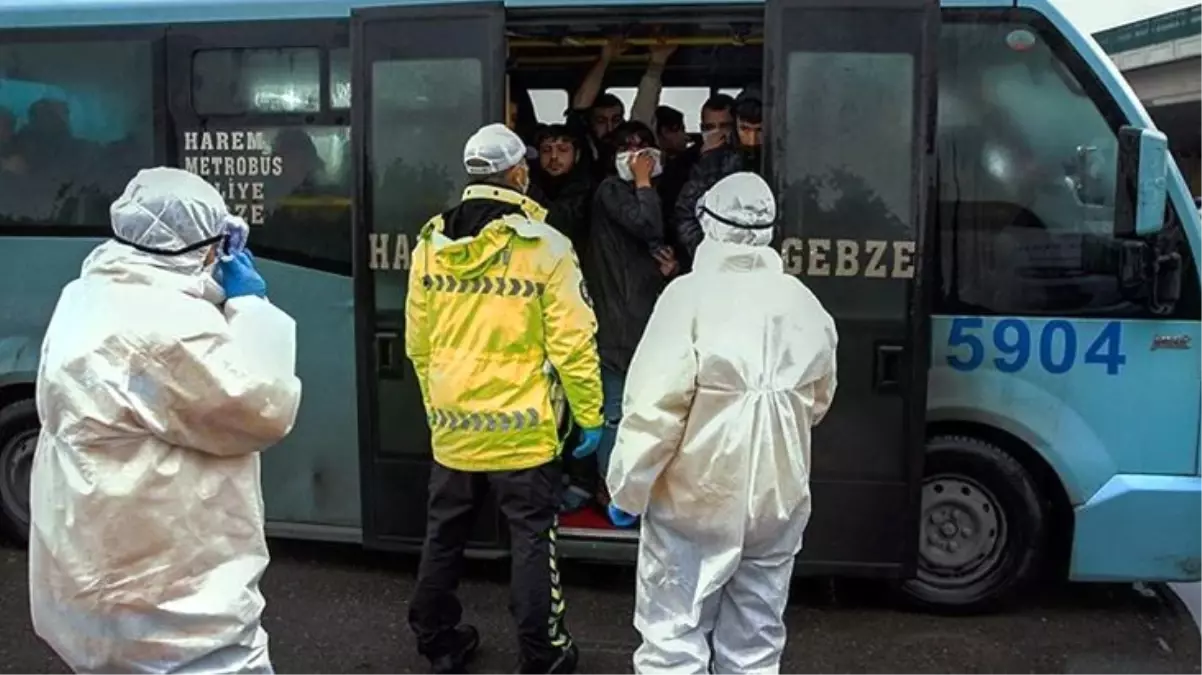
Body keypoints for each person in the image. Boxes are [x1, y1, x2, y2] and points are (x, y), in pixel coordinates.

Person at [27, 166, 303, 674]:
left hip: (92, 557)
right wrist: (250, 302)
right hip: (168, 593)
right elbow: (263, 409)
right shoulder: (169, 327)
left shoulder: (87, 293)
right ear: (194, 248)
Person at [606, 172, 838, 674]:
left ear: (708, 224)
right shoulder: (803, 302)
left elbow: (654, 410)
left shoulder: (686, 298)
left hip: (695, 499)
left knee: (673, 636)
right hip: (778, 499)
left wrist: (627, 488)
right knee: (755, 642)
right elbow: (818, 402)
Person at [406, 123, 604, 675]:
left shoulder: (430, 243)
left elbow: (418, 345)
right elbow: (574, 346)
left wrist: (439, 408)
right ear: (518, 174)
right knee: (531, 543)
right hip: (523, 431)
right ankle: (543, 656)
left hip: (453, 428)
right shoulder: (546, 247)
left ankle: (438, 642)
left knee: (443, 537)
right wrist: (590, 418)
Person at [584, 120, 677, 502]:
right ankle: (610, 491)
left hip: (645, 326)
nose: (639, 157)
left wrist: (669, 270)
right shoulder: (611, 190)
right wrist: (642, 181)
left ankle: (632, 490)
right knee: (614, 415)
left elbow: (648, 246)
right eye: (628, 149)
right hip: (618, 332)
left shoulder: (651, 195)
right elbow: (646, 222)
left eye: (645, 148)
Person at [673, 88, 764, 260]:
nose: (752, 139)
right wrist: (707, 253)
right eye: (745, 129)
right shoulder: (712, 163)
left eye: (759, 130)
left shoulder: (784, 163)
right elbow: (685, 212)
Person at [531, 123, 594, 255]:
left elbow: (561, 223)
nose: (554, 156)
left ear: (576, 155)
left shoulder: (587, 188)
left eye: (563, 149)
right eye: (546, 150)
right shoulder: (532, 181)